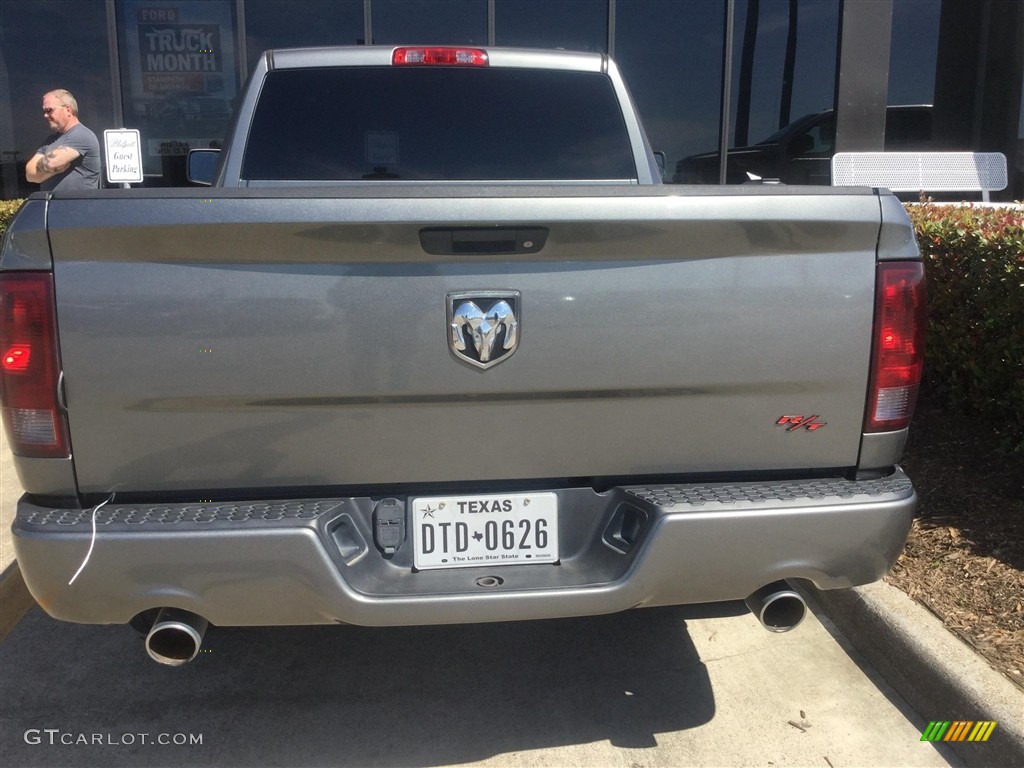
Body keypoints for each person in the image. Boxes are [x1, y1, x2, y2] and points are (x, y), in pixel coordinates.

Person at [26, 89, 100, 191]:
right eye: (44, 111)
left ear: (68, 110)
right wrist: (55, 171)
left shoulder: (82, 135)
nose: (45, 115)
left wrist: (42, 169)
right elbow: (30, 175)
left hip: (78, 204)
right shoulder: (50, 140)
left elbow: (52, 162)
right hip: (53, 205)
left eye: (49, 110)